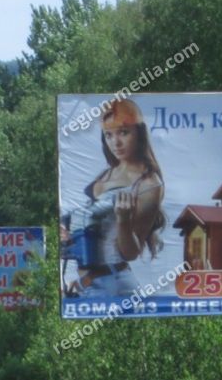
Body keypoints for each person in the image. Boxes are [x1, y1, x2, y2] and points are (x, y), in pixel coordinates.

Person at [60, 99, 167, 297]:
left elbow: (130, 253)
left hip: (113, 284)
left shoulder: (148, 184)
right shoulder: (107, 173)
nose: (115, 143)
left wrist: (124, 221)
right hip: (85, 283)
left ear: (139, 133)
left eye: (123, 133)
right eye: (108, 135)